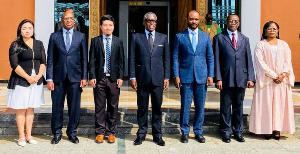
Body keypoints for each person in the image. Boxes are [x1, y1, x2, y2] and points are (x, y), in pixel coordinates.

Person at [46, 10, 87, 144]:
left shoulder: (81, 36)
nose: (68, 21)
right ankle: (57, 133)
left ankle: (72, 132)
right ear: (62, 21)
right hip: (58, 78)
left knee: (74, 107)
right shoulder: (54, 36)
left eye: (70, 18)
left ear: (74, 20)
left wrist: (84, 76)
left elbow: (84, 58)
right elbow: (50, 59)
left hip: (75, 78)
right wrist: (49, 78)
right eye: (65, 18)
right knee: (57, 107)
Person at [173, 10, 214, 143]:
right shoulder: (180, 37)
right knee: (185, 106)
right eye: (191, 19)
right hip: (185, 76)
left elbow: (210, 57)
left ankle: (198, 131)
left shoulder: (205, 37)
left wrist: (211, 75)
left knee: (200, 106)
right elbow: (174, 58)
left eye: (196, 19)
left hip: (202, 76)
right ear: (187, 20)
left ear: (199, 20)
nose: (194, 22)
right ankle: (184, 132)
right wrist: (176, 76)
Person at [129, 12, 170, 146]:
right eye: (149, 21)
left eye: (154, 21)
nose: (152, 23)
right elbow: (132, 59)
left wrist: (166, 77)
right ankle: (141, 134)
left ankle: (157, 135)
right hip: (142, 78)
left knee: (157, 108)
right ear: (144, 22)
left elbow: (166, 59)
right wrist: (132, 76)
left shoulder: (163, 38)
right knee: (142, 108)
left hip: (158, 79)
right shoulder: (136, 37)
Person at [249, 21, 295, 140]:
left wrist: (283, 74)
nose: (272, 30)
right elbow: (260, 62)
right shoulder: (261, 45)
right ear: (265, 31)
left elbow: (288, 61)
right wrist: (274, 75)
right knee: (267, 105)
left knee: (279, 105)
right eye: (269, 28)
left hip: (281, 80)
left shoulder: (284, 44)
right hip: (267, 80)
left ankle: (277, 129)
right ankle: (266, 129)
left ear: (278, 30)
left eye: (274, 29)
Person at [213, 14, 255, 143]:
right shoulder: (219, 38)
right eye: (231, 21)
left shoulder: (244, 39)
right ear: (226, 22)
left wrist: (250, 78)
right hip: (226, 78)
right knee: (225, 107)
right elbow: (216, 60)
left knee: (239, 106)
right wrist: (218, 78)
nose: (233, 23)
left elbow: (249, 59)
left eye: (236, 21)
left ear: (239, 23)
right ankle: (225, 132)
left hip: (241, 78)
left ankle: (238, 131)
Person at [6, 19, 46, 146]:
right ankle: (21, 136)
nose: (27, 30)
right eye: (24, 28)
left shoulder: (39, 43)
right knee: (21, 108)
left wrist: (39, 76)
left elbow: (43, 62)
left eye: (30, 28)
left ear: (33, 30)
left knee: (30, 108)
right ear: (20, 30)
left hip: (36, 80)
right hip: (21, 80)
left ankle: (29, 135)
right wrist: (28, 78)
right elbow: (14, 65)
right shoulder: (15, 44)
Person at [89, 14, 124, 143]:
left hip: (114, 78)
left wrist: (121, 77)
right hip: (99, 78)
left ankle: (111, 132)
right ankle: (99, 132)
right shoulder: (95, 41)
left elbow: (121, 61)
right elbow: (91, 60)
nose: (108, 27)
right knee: (99, 106)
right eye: (105, 25)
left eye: (110, 25)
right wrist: (91, 76)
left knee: (113, 106)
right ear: (101, 27)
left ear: (113, 27)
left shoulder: (118, 41)